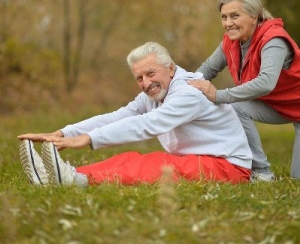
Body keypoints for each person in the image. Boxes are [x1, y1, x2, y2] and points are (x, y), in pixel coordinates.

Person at [18, 42, 252, 187]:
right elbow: (117, 117)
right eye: (139, 78)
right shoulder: (154, 92)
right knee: (128, 158)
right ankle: (61, 175)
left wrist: (88, 140)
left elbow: (148, 124)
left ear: (170, 68)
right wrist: (64, 132)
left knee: (156, 162)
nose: (146, 83)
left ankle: (79, 181)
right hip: (197, 160)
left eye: (151, 73)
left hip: (228, 167)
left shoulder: (189, 92)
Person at [188, 0, 300, 182]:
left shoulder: (273, 40)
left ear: (254, 17)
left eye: (234, 16)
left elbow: (266, 83)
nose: (228, 23)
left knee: (297, 181)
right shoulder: (230, 42)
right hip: (278, 105)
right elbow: (207, 69)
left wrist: (219, 95)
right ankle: (262, 172)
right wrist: (183, 86)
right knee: (236, 108)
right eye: (224, 17)